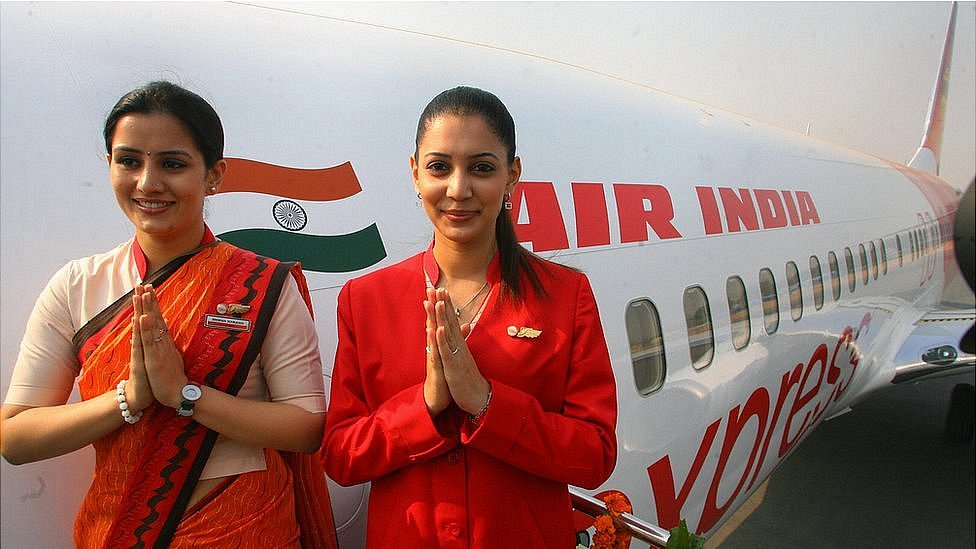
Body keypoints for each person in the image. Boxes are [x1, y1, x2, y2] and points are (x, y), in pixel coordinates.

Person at [0, 81, 337, 548]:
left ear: (214, 175)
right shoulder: (77, 286)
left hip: (246, 528)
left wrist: (185, 394)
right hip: (123, 528)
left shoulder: (261, 284)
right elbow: (15, 437)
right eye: (129, 161)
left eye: (172, 164)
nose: (147, 183)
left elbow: (306, 426)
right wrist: (128, 398)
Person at [323, 86, 618, 547]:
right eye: (439, 167)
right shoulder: (365, 300)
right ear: (415, 173)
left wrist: (486, 403)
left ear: (512, 175)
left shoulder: (565, 295)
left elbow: (595, 455)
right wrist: (425, 404)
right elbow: (341, 457)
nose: (458, 190)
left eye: (481, 168)